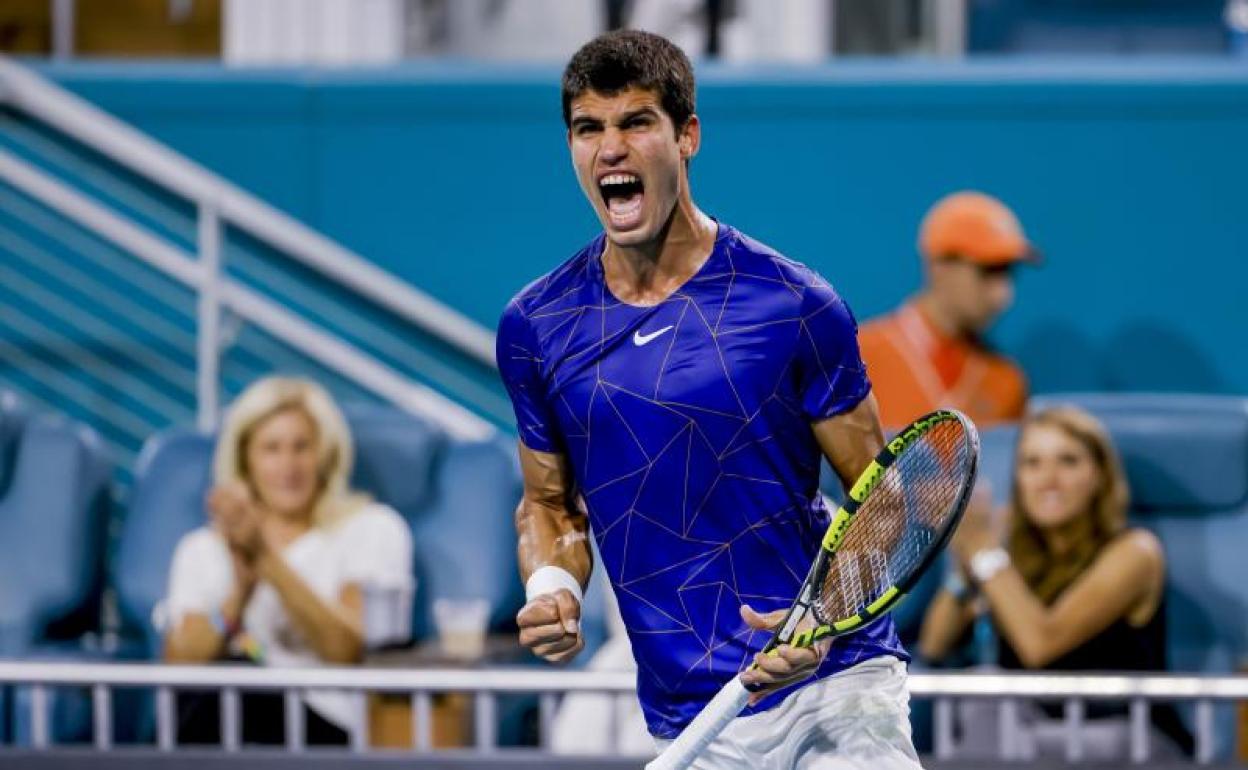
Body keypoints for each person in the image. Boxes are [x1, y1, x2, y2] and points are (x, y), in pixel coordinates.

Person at [496, 29, 920, 768]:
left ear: (686, 135)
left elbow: (879, 499)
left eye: (636, 122)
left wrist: (821, 620)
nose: (611, 149)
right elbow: (549, 503)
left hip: (835, 687)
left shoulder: (794, 302)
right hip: (690, 711)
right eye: (589, 129)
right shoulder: (536, 325)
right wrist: (553, 585)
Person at [917, 406, 1189, 759]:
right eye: (1032, 464)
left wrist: (982, 548)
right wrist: (966, 564)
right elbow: (934, 646)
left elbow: (1041, 644)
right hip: (1032, 733)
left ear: (1099, 476)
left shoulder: (1136, 552)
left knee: (1007, 732)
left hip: (1127, 737)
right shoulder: (1005, 554)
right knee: (983, 694)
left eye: (1068, 462)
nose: (1048, 479)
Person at [162, 377, 414, 746]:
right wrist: (239, 594)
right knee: (221, 685)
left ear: (324, 455)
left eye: (301, 447)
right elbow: (179, 666)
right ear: (245, 459)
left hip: (330, 724)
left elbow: (347, 649)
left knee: (234, 685)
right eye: (271, 449)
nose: (288, 466)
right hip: (220, 717)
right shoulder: (202, 548)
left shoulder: (372, 528)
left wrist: (265, 559)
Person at [858, 191, 1038, 431]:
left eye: (1008, 273)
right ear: (940, 266)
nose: (1002, 295)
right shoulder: (858, 356)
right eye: (989, 270)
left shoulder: (1007, 382)